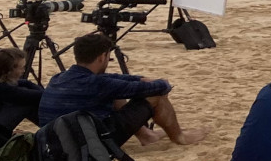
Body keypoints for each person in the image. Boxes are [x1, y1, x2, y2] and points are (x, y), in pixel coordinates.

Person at [39, 33, 203, 146]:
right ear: (102, 57)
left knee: (117, 91)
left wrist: (139, 78)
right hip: (90, 142)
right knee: (155, 96)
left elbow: (114, 80)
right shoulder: (98, 84)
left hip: (55, 140)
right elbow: (158, 88)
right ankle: (180, 138)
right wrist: (162, 84)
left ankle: (146, 135)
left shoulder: (59, 77)